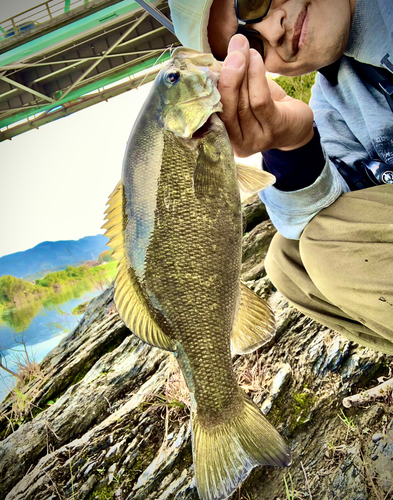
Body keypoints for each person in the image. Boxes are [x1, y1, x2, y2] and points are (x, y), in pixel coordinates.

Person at [167, 0, 393, 361]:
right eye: (251, 44)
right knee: (289, 263)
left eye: (253, 1)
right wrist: (291, 142)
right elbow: (317, 219)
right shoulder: (332, 100)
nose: (273, 32)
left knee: (325, 245)